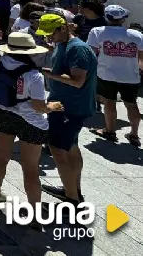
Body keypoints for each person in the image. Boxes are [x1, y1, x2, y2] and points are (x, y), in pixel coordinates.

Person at [0, 32, 60, 214]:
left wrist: (3, 101)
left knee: (0, 156)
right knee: (30, 168)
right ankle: (34, 214)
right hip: (31, 122)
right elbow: (39, 107)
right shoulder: (34, 74)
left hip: (3, 114)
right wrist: (53, 106)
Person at [35, 13, 98, 204]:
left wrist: (48, 74)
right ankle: (73, 189)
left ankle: (71, 199)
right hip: (65, 104)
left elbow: (78, 81)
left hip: (70, 107)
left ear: (63, 28)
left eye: (51, 34)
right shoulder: (62, 45)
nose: (48, 38)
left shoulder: (77, 49)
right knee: (71, 148)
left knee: (57, 149)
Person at [87, 5, 142, 147]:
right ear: (123, 19)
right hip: (131, 76)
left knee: (109, 103)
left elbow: (91, 54)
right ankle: (134, 134)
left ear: (107, 17)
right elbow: (141, 59)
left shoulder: (97, 32)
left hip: (106, 74)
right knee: (131, 104)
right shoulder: (137, 35)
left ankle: (110, 131)